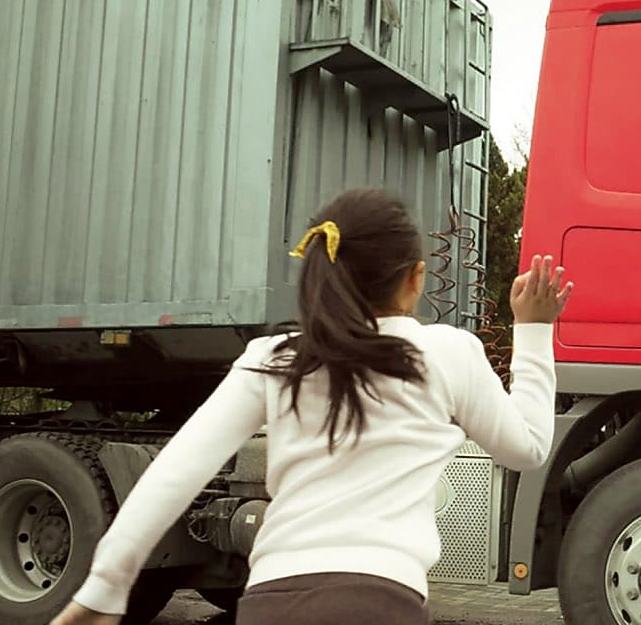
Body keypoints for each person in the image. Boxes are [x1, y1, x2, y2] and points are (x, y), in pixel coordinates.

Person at [49, 188, 573, 625]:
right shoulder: (447, 353)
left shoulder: (273, 359)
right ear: (416, 280)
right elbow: (527, 448)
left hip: (269, 603)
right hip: (381, 602)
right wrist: (533, 330)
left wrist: (106, 587)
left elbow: (174, 473)